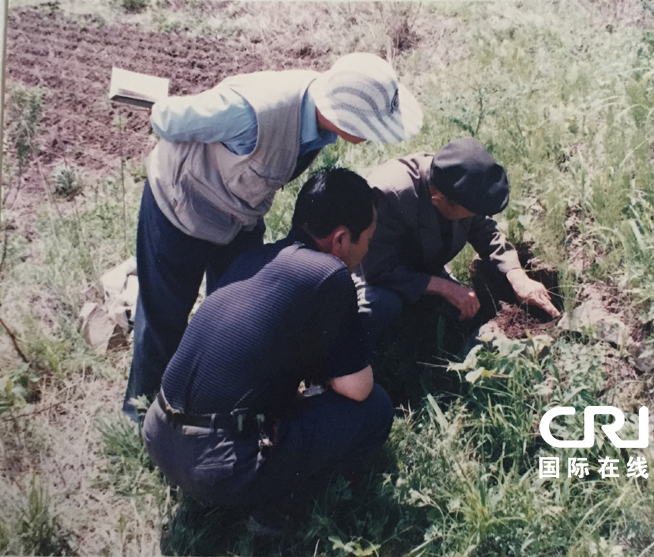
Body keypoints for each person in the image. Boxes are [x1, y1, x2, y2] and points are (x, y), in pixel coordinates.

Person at [124, 53, 423, 419]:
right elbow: (167, 119)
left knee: (236, 312)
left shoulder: (320, 117)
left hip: (238, 217)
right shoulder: (251, 112)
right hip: (180, 206)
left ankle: (215, 408)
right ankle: (141, 416)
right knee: (164, 319)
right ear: (348, 118)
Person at [142, 168, 393, 532]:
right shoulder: (329, 274)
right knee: (375, 409)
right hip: (218, 467)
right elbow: (358, 388)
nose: (368, 248)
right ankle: (280, 503)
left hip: (159, 432)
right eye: (367, 238)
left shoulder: (254, 258)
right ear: (340, 239)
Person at [356, 138, 560, 354]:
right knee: (381, 307)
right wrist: (445, 287)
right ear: (438, 199)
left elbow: (486, 231)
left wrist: (518, 276)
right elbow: (377, 270)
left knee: (463, 316)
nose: (474, 216)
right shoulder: (388, 195)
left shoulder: (460, 186)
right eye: (470, 213)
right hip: (367, 273)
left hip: (421, 268)